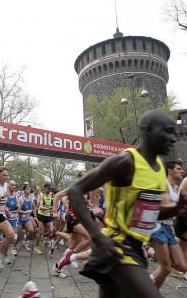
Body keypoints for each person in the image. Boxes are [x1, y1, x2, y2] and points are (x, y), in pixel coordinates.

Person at [67, 110, 187, 298]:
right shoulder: (126, 162)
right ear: (148, 130)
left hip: (136, 247)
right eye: (168, 131)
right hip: (116, 246)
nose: (173, 138)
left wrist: (176, 209)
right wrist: (97, 237)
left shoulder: (158, 168)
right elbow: (75, 191)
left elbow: (152, 212)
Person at [150, 161, 187, 287]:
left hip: (168, 227)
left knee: (182, 266)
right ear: (170, 171)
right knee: (166, 268)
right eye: (179, 168)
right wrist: (180, 206)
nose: (182, 171)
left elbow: (175, 210)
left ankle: (150, 279)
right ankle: (151, 292)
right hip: (158, 227)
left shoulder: (176, 188)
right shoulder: (164, 184)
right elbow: (165, 205)